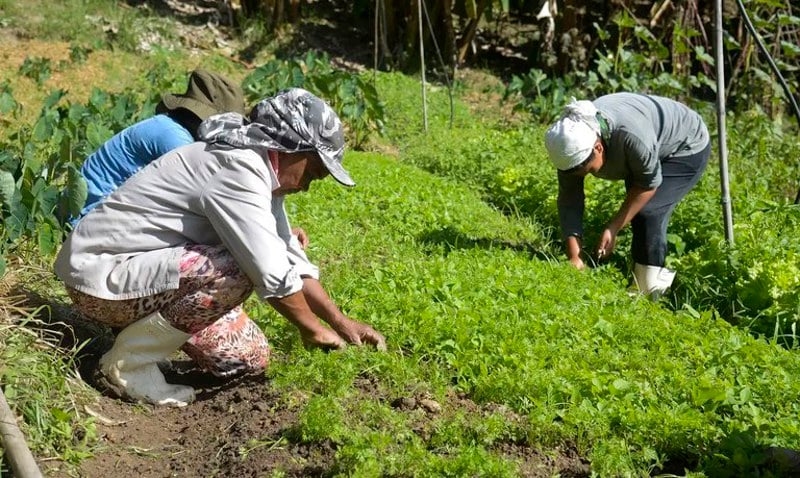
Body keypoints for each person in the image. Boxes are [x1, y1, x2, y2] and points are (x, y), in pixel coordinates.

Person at [55, 88, 386, 407]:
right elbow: (270, 271)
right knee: (238, 269)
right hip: (99, 279)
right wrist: (312, 330)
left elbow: (289, 256)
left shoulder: (262, 171)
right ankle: (126, 367)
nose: (306, 186)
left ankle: (138, 344)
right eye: (311, 173)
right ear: (289, 147)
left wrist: (340, 322)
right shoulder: (239, 168)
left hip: (138, 276)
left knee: (246, 358)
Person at [544, 93, 710, 297]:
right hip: (648, 141)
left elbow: (647, 185)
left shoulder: (631, 137)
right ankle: (642, 274)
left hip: (685, 144)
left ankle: (648, 289)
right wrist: (575, 256)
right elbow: (570, 198)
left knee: (648, 211)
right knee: (637, 209)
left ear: (598, 147)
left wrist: (613, 227)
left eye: (587, 170)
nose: (583, 175)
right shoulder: (568, 147)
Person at [72, 68, 247, 225]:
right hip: (90, 218)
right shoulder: (174, 138)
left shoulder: (170, 126)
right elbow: (198, 192)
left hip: (99, 211)